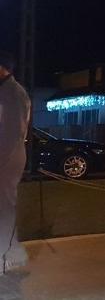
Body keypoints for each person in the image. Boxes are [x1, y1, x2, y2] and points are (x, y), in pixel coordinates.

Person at [0, 51, 30, 274]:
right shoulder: (5, 91)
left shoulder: (12, 92)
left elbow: (12, 132)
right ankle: (13, 253)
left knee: (4, 206)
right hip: (6, 155)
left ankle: (3, 256)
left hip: (7, 158)